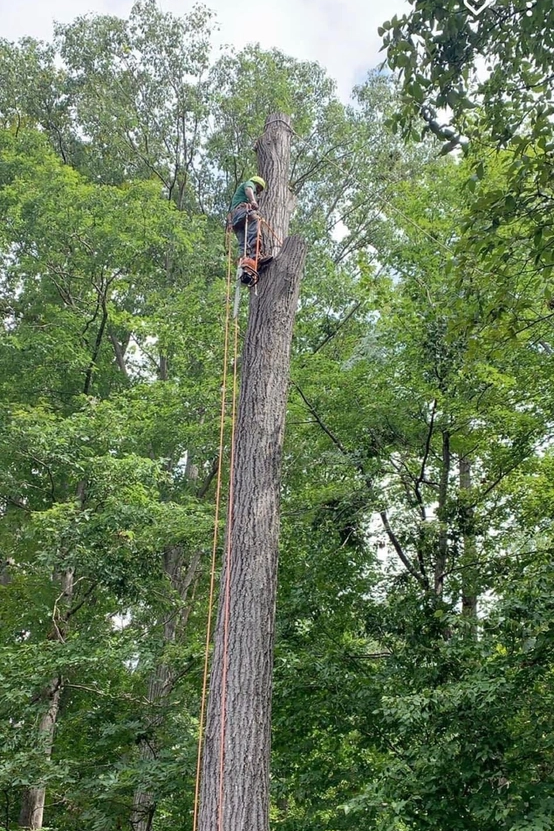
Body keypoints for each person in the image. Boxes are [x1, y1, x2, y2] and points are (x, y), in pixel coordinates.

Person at [228, 176, 268, 260]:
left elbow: (229, 212)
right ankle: (255, 254)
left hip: (236, 220)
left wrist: (230, 223)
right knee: (254, 219)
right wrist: (253, 201)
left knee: (243, 244)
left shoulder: (237, 198)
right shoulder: (249, 183)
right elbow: (248, 189)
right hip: (241, 212)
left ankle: (243, 263)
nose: (258, 191)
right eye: (258, 189)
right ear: (256, 184)